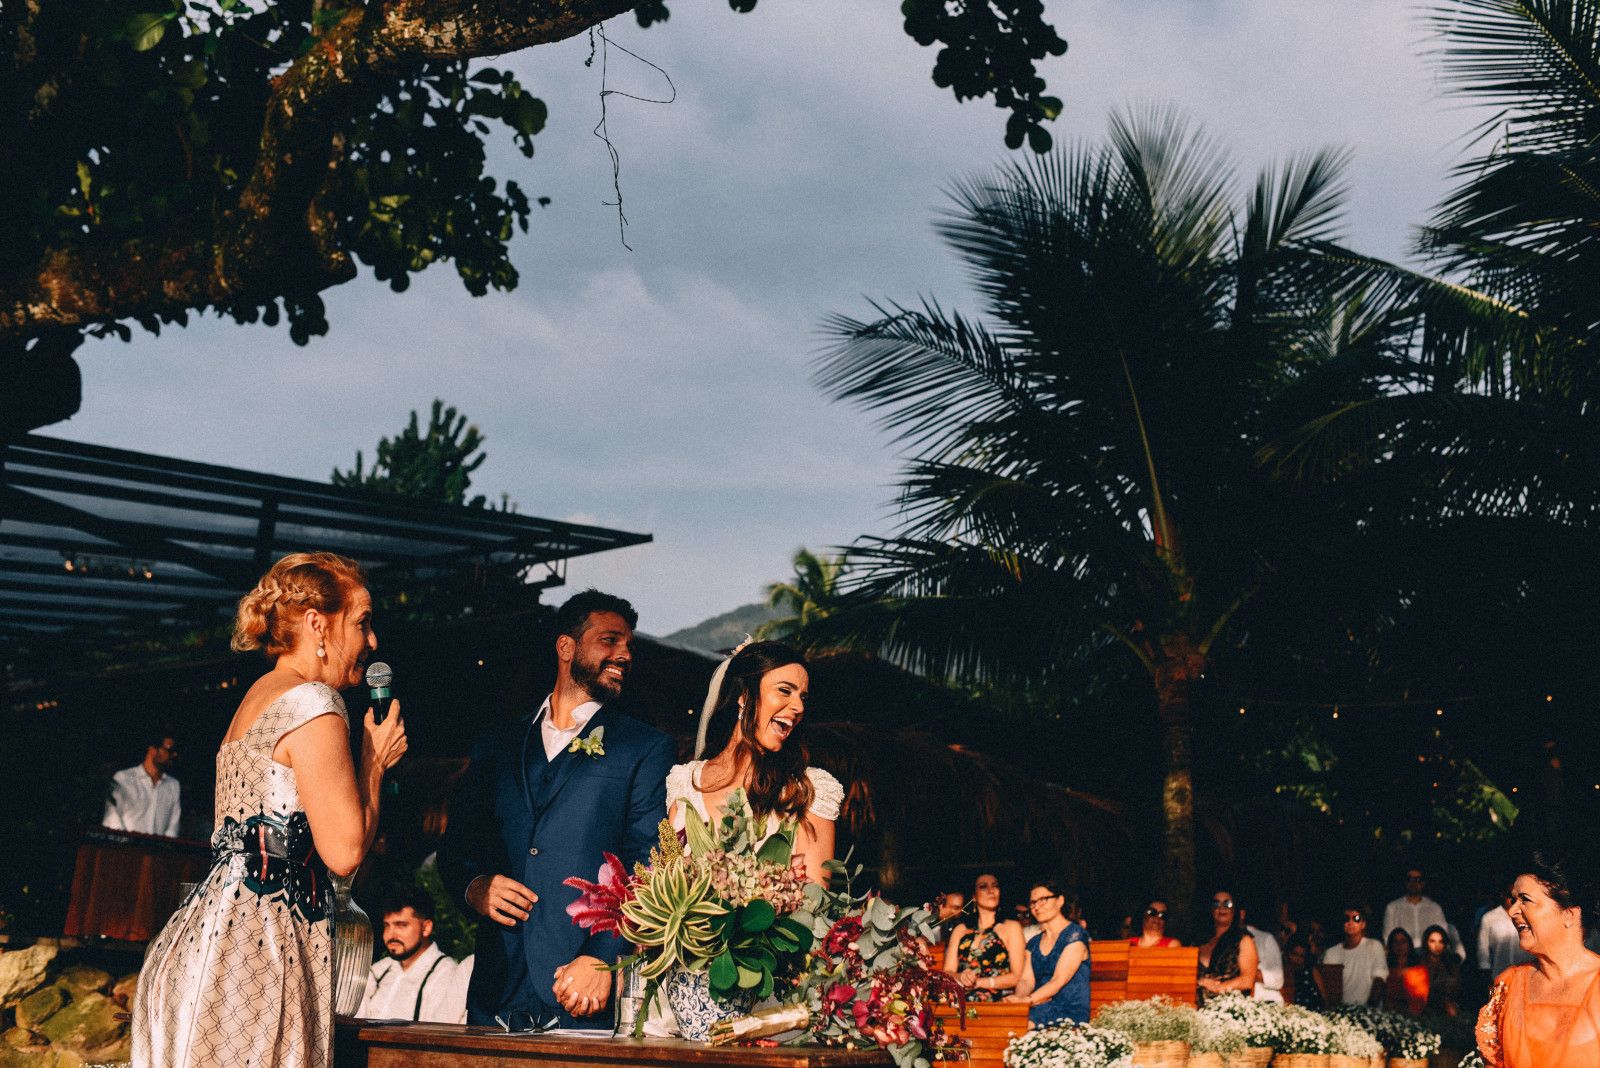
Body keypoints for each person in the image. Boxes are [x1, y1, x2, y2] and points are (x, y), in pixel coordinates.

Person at [132, 552, 408, 1068]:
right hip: (259, 954)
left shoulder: (257, 698)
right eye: (363, 621)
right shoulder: (313, 704)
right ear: (316, 624)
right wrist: (372, 761)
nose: (373, 642)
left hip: (204, 942)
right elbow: (345, 851)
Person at [439, 589, 673, 1028]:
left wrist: (604, 958)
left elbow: (649, 865)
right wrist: (474, 886)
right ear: (566, 647)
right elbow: (457, 848)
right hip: (495, 992)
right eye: (609, 640)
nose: (624, 654)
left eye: (629, 646)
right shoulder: (497, 744)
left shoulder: (643, 747)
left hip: (582, 992)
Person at [668, 640, 841, 883]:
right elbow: (665, 881)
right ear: (744, 695)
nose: (799, 706)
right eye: (784, 690)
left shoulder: (809, 791)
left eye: (803, 697)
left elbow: (814, 902)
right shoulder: (684, 782)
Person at [1476, 851, 1600, 1067]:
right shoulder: (1507, 987)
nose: (1513, 910)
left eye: (1525, 899)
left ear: (1569, 914)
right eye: (1514, 899)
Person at [357, 890, 474, 1023]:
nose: (391, 935)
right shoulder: (380, 970)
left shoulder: (445, 975)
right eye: (387, 926)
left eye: (401, 925)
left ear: (426, 928)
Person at [1005, 881, 1089, 1026]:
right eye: (1033, 902)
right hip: (1038, 1004)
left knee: (1021, 1026)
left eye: (1043, 900)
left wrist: (1028, 1000)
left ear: (1060, 901)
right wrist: (1017, 1002)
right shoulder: (1034, 943)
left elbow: (1058, 980)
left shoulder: (1075, 935)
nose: (1037, 906)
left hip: (1068, 1008)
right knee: (1006, 1022)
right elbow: (1026, 980)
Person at [944, 873, 1027, 1000]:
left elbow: (1017, 976)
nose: (991, 890)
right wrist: (961, 977)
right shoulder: (961, 930)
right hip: (961, 997)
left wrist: (979, 982)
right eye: (983, 886)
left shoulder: (1011, 927)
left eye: (995, 886)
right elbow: (948, 972)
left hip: (997, 999)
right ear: (974, 896)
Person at [102, 731, 181, 836]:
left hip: (159, 851)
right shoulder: (123, 778)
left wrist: (164, 848)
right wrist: (129, 845)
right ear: (152, 749)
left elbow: (173, 826)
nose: (174, 754)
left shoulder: (173, 785)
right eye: (169, 750)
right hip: (124, 849)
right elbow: (112, 817)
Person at [1384, 867, 1464, 960]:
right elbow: (1388, 937)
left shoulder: (1434, 908)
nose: (1413, 883)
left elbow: (1443, 934)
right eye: (1410, 879)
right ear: (1405, 883)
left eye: (1418, 880)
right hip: (1403, 956)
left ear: (1423, 883)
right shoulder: (1393, 907)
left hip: (1429, 955)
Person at [1196, 889, 1258, 1003]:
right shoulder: (1198, 942)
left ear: (1235, 910)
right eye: (1216, 903)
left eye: (1227, 904)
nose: (1221, 908)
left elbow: (1247, 980)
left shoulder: (1244, 940)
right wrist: (1201, 982)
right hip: (1196, 1007)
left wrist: (1218, 988)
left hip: (1228, 1010)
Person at [1321, 904, 1387, 1005]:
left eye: (1356, 918)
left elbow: (1379, 979)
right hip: (1341, 1013)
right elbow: (1330, 989)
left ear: (1363, 924)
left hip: (1369, 1010)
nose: (1350, 922)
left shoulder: (1374, 946)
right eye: (1346, 918)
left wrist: (1369, 1008)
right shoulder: (1331, 953)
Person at [1478, 884, 1534, 980]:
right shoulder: (1489, 918)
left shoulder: (1530, 916)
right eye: (1511, 897)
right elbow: (1482, 950)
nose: (1514, 901)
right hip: (1498, 975)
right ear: (1503, 895)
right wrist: (1485, 975)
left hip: (1525, 977)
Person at [1383, 926, 1429, 1016]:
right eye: (1395, 941)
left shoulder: (1419, 971)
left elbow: (1419, 1002)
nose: (1399, 945)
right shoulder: (1385, 970)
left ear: (1409, 944)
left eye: (1403, 941)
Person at [1421, 923, 1461, 1016]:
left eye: (1440, 941)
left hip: (1448, 1006)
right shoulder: (1420, 964)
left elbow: (1456, 988)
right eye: (1432, 941)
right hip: (1425, 1007)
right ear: (1426, 942)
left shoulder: (1451, 964)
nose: (1437, 945)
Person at [1283, 931, 1326, 1009]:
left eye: (1301, 956)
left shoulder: (1311, 971)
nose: (1297, 959)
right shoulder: (1283, 971)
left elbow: (1323, 996)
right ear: (1288, 953)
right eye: (1294, 954)